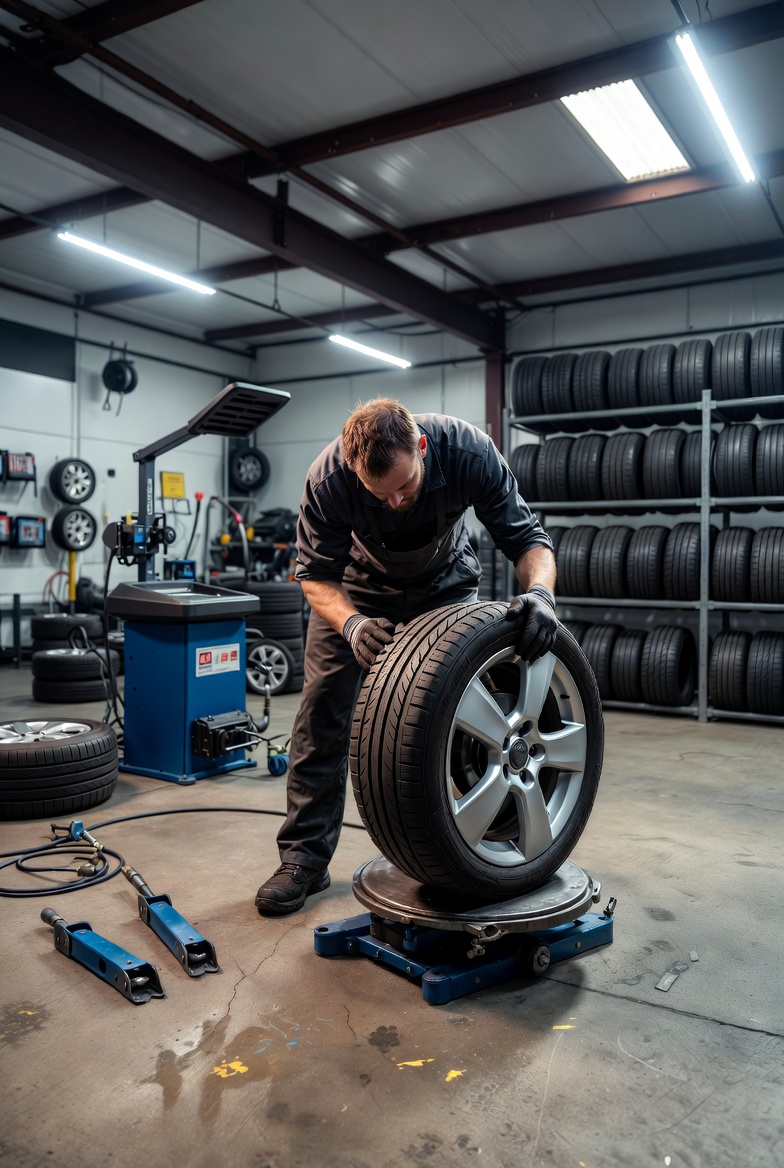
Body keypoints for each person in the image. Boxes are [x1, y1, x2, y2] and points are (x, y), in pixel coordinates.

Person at [254, 398, 557, 915]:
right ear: (353, 469)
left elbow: (528, 539)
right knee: (322, 711)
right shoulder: (327, 480)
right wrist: (349, 624)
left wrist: (542, 595)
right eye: (380, 494)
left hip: (446, 585)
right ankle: (304, 859)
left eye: (404, 487)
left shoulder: (467, 451)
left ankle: (465, 842)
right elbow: (315, 578)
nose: (394, 502)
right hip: (357, 596)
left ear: (421, 447)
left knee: (456, 712)